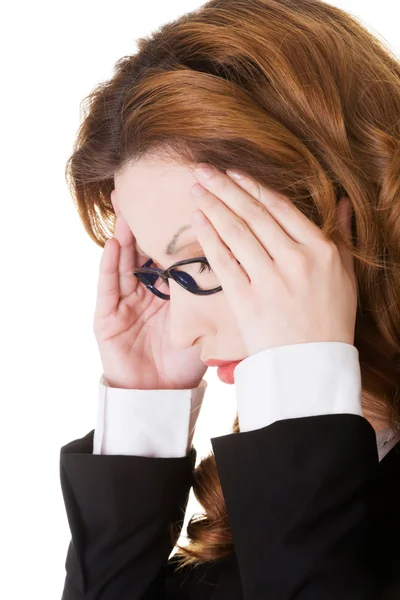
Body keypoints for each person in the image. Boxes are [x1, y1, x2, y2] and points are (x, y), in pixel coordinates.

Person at [60, 0, 400, 597]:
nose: (181, 330)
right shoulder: (263, 492)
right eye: (160, 273)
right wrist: (145, 416)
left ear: (353, 200)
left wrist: (301, 403)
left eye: (204, 261)